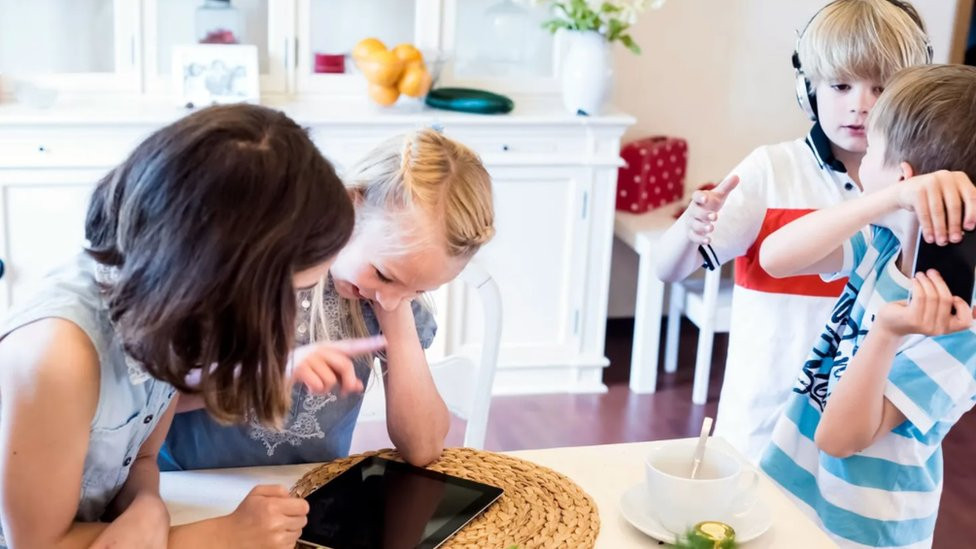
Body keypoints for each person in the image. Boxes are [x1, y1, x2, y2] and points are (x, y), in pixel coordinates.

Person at [0, 104, 355, 548]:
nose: (290, 316)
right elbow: (37, 544)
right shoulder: (59, 356)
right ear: (224, 279)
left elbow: (144, 457)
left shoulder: (167, 316)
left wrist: (148, 507)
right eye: (291, 294)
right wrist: (219, 535)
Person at [654, 0, 932, 462]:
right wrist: (690, 228)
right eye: (840, 85)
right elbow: (667, 271)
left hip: (869, 441)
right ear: (809, 89)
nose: (859, 105)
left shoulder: (922, 187)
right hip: (761, 430)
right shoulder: (770, 170)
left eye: (880, 88)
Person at [160, 128, 496, 470]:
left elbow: (422, 447)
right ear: (351, 206)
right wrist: (270, 372)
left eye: (418, 289)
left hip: (307, 492)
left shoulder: (387, 302)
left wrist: (395, 317)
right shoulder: (255, 261)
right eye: (384, 274)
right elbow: (160, 402)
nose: (394, 299)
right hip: (190, 486)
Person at [759, 64, 976, 548]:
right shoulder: (883, 240)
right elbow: (774, 257)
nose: (860, 156)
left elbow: (840, 439)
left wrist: (885, 334)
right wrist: (886, 202)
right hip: (796, 483)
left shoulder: (959, 326)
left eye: (871, 148)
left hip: (866, 528)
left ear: (902, 173)